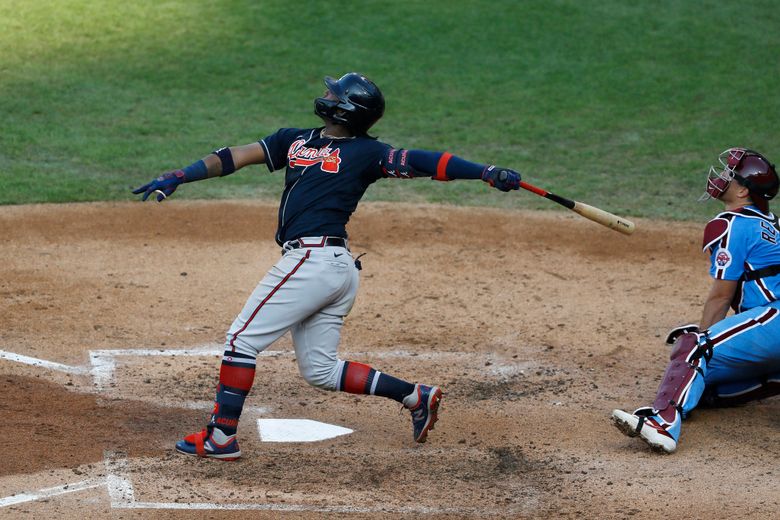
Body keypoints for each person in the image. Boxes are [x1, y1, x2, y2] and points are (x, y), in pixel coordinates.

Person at [131, 72, 522, 460]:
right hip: (333, 269)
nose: (325, 93)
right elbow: (235, 156)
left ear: (345, 107)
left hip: (314, 261)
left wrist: (484, 172)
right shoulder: (295, 139)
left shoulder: (370, 154)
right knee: (319, 370)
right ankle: (415, 396)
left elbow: (427, 162)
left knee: (240, 341)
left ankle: (221, 437)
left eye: (332, 92)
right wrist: (182, 175)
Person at [612, 147, 780, 454]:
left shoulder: (733, 223)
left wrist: (702, 339)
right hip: (772, 332)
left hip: (775, 323)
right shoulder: (772, 224)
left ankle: (662, 424)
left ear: (742, 190)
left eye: (730, 174)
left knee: (694, 346)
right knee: (702, 382)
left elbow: (721, 296)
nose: (721, 177)